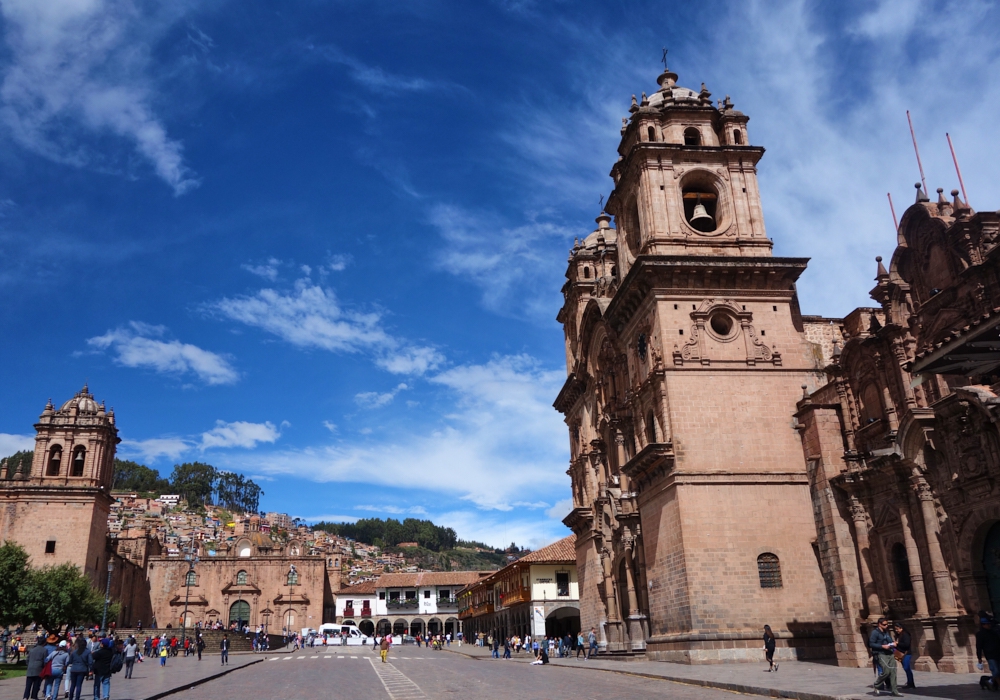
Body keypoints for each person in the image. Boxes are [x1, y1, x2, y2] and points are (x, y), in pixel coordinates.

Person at [869, 618, 900, 697]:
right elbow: (871, 644)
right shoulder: (875, 633)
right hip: (881, 653)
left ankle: (894, 690)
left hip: (890, 653)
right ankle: (876, 684)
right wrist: (882, 646)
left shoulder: (886, 632)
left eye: (887, 624)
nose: (886, 626)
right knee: (886, 671)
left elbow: (889, 640)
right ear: (879, 624)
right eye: (884, 624)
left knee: (893, 671)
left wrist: (893, 643)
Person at [977, 616, 1000, 690]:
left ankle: (990, 681)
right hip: (990, 655)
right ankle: (990, 681)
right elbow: (979, 646)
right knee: (996, 671)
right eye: (987, 624)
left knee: (998, 671)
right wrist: (979, 658)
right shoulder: (980, 634)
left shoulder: (993, 632)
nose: (989, 625)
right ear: (983, 625)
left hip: (998, 654)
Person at [23, 635, 48, 700]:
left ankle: (26, 696)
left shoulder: (32, 650)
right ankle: (34, 696)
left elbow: (27, 659)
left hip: (30, 668)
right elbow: (45, 660)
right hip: (38, 668)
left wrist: (29, 665)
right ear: (44, 643)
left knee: (28, 684)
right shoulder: (44, 650)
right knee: (36, 684)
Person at [892, 623, 913, 689]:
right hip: (901, 653)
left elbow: (906, 644)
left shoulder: (905, 635)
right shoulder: (899, 635)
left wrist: (898, 644)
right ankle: (909, 682)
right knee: (905, 668)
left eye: (897, 629)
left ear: (901, 628)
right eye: (895, 629)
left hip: (906, 654)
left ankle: (911, 683)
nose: (896, 630)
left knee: (907, 668)